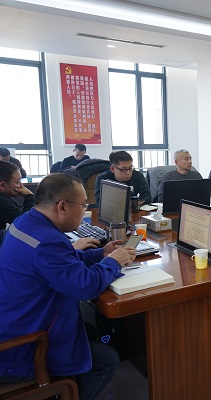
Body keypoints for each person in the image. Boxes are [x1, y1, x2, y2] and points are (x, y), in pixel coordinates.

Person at [0, 173, 137, 400]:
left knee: (88, 330)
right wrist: (114, 262)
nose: (85, 211)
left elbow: (61, 263)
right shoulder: (48, 241)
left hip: (14, 323)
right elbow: (85, 287)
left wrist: (101, 254)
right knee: (106, 360)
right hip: (22, 348)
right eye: (83, 206)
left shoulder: (26, 221)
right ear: (62, 206)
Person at [0, 160, 34, 229]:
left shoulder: (5, 197)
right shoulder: (1, 201)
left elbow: (21, 212)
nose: (21, 185)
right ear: (2, 185)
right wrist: (29, 196)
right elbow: (26, 221)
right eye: (17, 182)